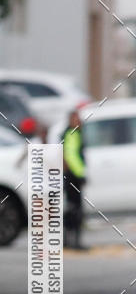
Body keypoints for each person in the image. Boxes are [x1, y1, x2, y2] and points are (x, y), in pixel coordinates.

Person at [62, 107, 87, 250]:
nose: (79, 121)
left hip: (71, 176)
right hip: (73, 177)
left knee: (71, 208)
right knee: (75, 209)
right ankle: (74, 242)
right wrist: (80, 174)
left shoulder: (72, 133)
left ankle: (67, 240)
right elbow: (71, 156)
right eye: (76, 118)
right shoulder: (72, 133)